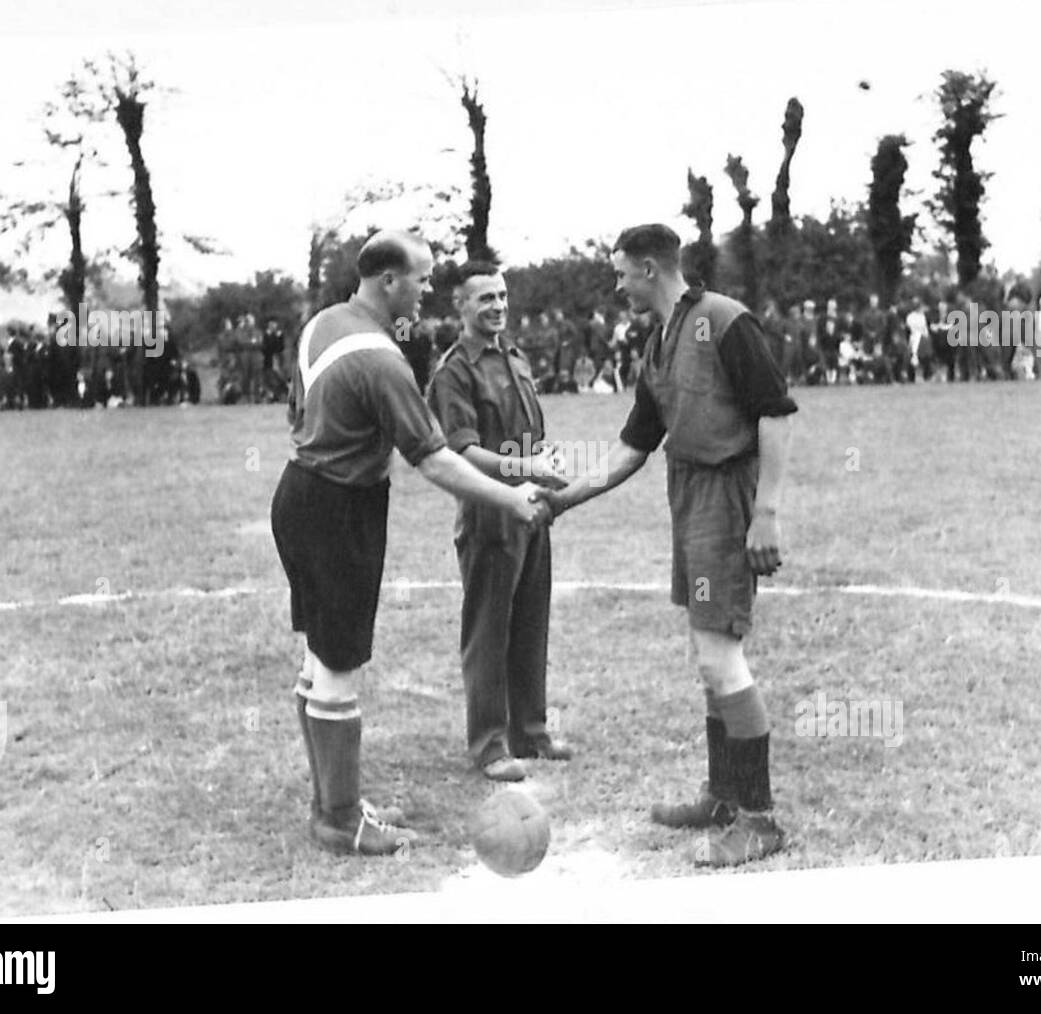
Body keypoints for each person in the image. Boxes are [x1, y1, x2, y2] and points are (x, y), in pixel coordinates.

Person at [271, 230, 552, 857]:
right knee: (339, 667)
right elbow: (434, 458)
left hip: (299, 495)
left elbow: (297, 411)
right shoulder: (381, 358)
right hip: (340, 507)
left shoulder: (322, 324)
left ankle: (332, 804)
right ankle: (342, 821)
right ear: (389, 281)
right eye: (422, 280)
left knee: (319, 659)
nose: (429, 291)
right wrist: (511, 497)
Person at [542, 224, 797, 868]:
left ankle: (758, 818)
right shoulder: (659, 341)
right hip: (687, 495)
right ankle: (721, 794)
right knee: (706, 653)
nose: (617, 283)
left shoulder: (724, 320)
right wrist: (565, 498)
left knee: (719, 654)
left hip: (726, 498)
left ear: (651, 269)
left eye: (622, 272)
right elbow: (634, 445)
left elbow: (775, 412)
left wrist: (764, 513)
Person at [427, 261, 572, 782]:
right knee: (489, 631)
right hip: (491, 514)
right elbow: (460, 449)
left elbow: (528, 430)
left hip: (533, 509)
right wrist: (522, 469)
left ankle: (530, 732)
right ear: (460, 307)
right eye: (484, 298)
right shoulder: (454, 371)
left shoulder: (514, 356)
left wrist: (544, 462)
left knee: (531, 621)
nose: (497, 306)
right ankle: (489, 745)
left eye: (502, 296)